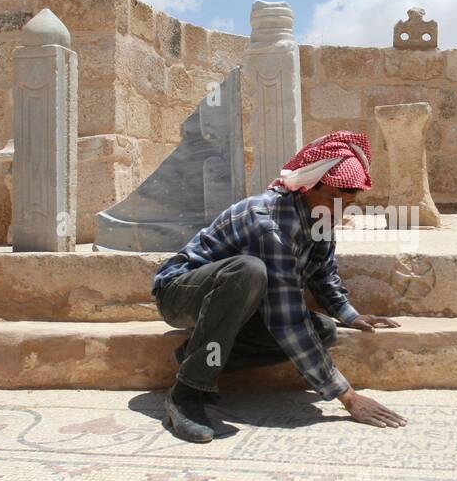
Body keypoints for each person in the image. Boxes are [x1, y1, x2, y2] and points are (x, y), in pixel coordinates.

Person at [151, 131, 408, 443]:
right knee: (248, 271)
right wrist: (349, 397)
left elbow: (323, 275)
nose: (339, 211)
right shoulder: (268, 223)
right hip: (180, 292)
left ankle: (197, 355)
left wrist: (350, 315)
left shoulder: (320, 220)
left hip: (229, 306)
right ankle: (187, 392)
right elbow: (286, 320)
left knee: (325, 331)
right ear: (308, 188)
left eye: (348, 204)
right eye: (332, 199)